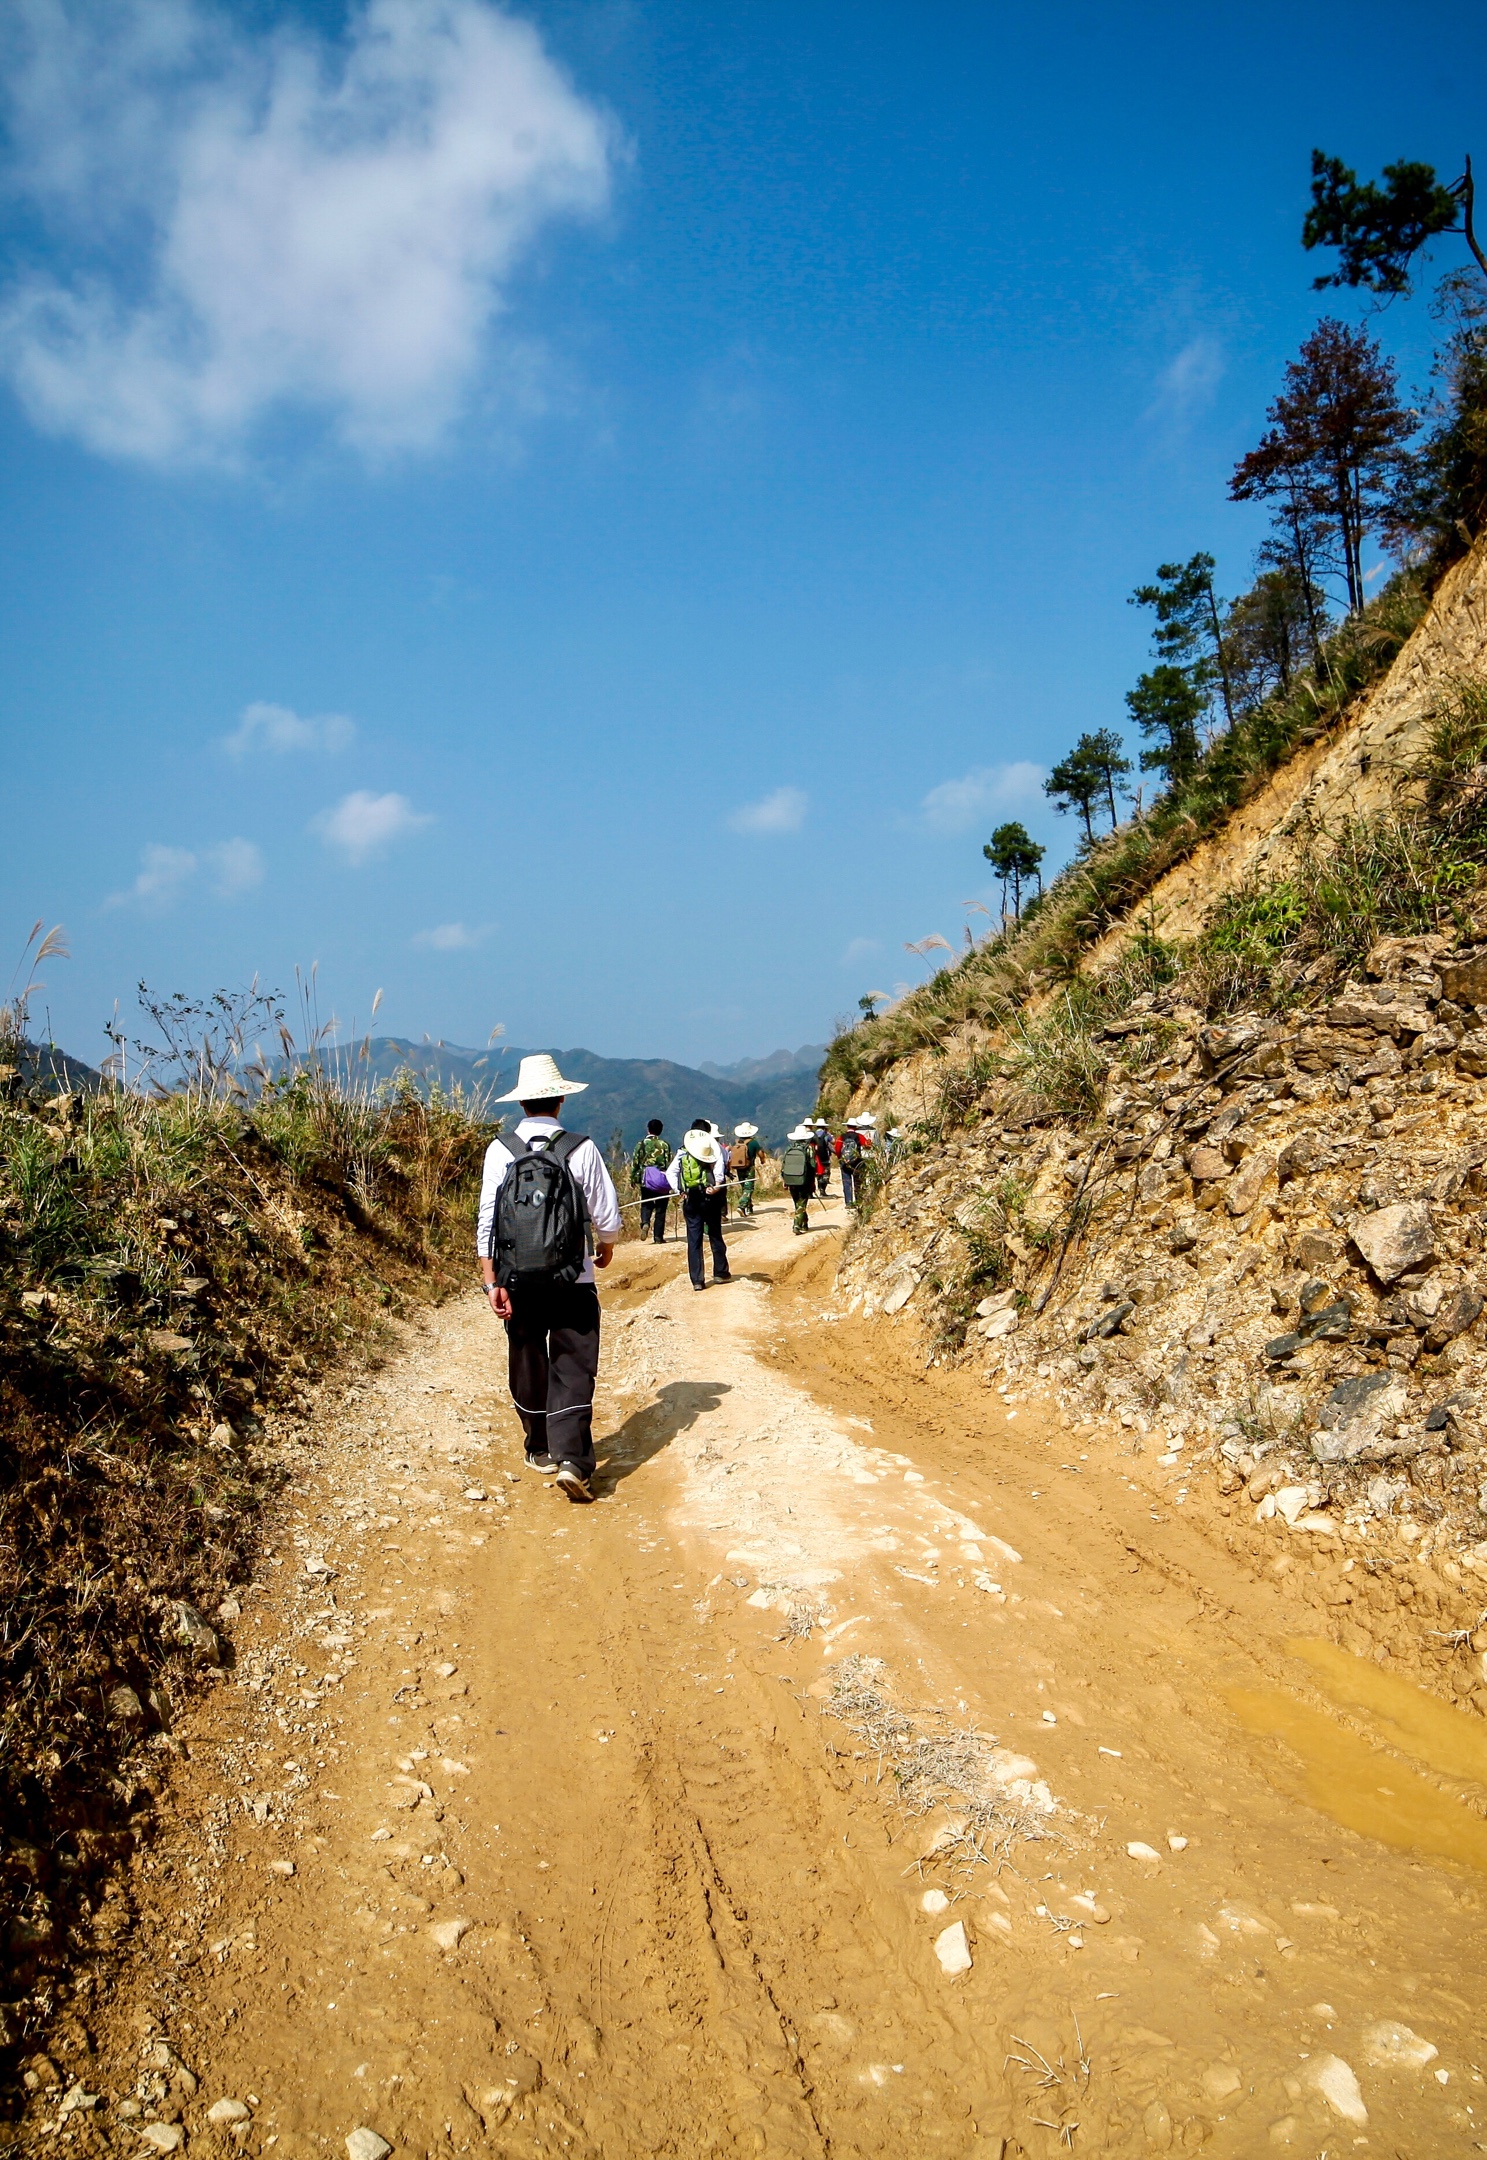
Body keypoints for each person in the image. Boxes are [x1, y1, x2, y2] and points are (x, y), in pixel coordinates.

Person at [477, 1053, 622, 1504]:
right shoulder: (581, 1148)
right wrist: (605, 1248)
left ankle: (538, 1445)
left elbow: (487, 1222)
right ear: (560, 1100)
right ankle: (572, 1458)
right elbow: (607, 1217)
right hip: (572, 1280)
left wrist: (491, 1281)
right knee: (573, 1363)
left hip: (516, 1277)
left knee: (527, 1357)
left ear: (522, 1104)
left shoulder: (500, 1150)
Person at [668, 1118, 731, 1289]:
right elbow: (720, 1170)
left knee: (694, 1239)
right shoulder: (713, 1148)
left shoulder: (683, 1151)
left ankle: (697, 1280)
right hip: (710, 1198)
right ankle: (720, 1272)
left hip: (691, 1200)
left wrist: (679, 1190)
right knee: (715, 1234)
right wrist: (716, 1188)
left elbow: (670, 1172)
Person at [631, 1117, 672, 1243]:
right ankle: (658, 1237)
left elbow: (636, 1163)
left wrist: (634, 1179)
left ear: (648, 1129)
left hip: (646, 1178)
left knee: (646, 1203)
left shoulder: (640, 1145)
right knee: (661, 1208)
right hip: (660, 1179)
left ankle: (645, 1222)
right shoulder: (664, 1145)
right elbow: (667, 1162)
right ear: (660, 1131)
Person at [780, 1125, 816, 1233]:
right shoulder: (809, 1148)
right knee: (802, 1202)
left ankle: (804, 1224)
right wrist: (812, 1181)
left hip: (791, 1179)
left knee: (797, 1202)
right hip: (804, 1179)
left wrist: (784, 1180)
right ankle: (796, 1225)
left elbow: (784, 1166)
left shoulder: (789, 1149)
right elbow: (813, 1165)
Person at [835, 1114, 874, 1208]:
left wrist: (841, 1158)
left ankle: (849, 1203)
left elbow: (837, 1149)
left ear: (847, 1126)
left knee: (847, 1182)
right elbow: (868, 1146)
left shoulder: (841, 1137)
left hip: (845, 1163)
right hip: (857, 1162)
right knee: (858, 1182)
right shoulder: (859, 1136)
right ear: (856, 1126)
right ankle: (859, 1201)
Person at [728, 1122, 763, 1215]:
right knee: (749, 1188)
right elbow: (760, 1153)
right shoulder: (753, 1142)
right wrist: (763, 1160)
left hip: (739, 1168)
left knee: (744, 1187)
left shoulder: (737, 1142)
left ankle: (749, 1207)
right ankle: (742, 1206)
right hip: (749, 1167)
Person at [812, 1119, 833, 1198]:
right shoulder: (826, 1135)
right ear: (824, 1126)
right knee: (826, 1174)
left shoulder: (813, 1135)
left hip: (816, 1158)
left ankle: (818, 1188)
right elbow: (833, 1141)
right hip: (825, 1158)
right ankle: (823, 1190)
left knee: (818, 1174)